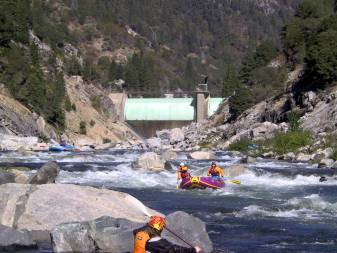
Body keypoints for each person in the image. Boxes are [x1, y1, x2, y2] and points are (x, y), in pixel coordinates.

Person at [133, 215, 203, 253]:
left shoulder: (138, 234)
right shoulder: (159, 242)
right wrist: (193, 250)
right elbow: (175, 249)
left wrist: (150, 223)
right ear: (160, 228)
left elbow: (137, 230)